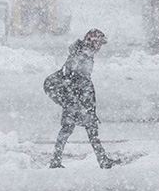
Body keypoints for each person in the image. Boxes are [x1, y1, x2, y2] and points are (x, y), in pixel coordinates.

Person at [44, 29, 113, 169]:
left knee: (85, 126)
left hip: (74, 94)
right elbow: (72, 79)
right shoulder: (81, 56)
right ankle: (56, 161)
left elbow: (81, 80)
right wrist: (77, 103)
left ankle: (102, 159)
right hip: (70, 94)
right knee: (72, 127)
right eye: (99, 43)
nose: (100, 47)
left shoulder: (85, 54)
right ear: (93, 43)